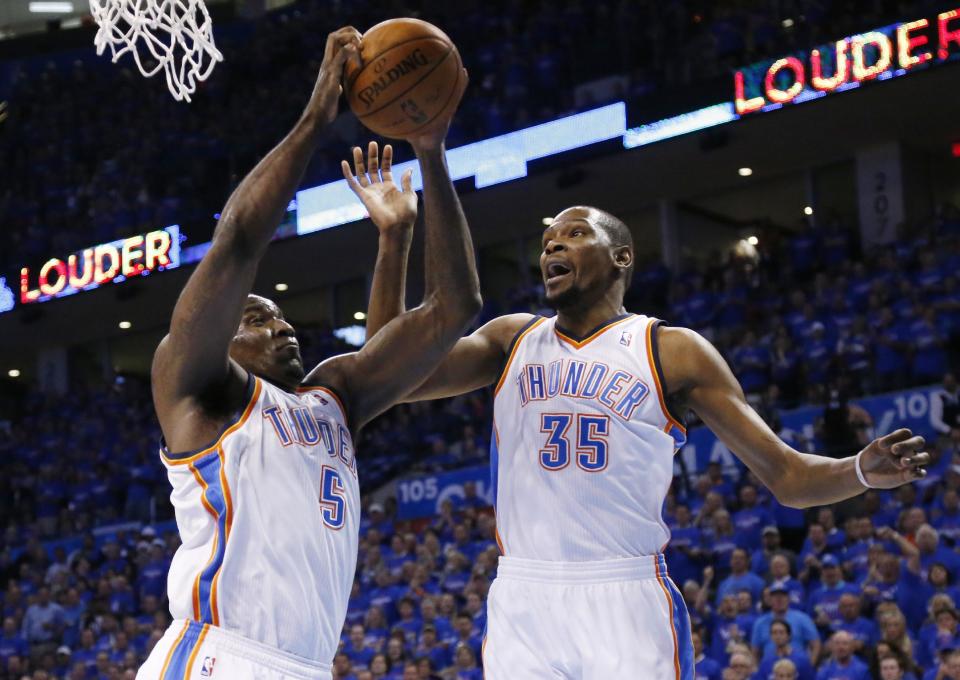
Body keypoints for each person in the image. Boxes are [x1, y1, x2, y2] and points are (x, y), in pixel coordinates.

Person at [372, 202, 930, 677]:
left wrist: (857, 469)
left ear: (622, 257)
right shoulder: (510, 339)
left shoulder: (672, 350)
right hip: (524, 592)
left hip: (625, 591)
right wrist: (396, 237)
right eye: (546, 243)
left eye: (574, 234)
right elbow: (385, 370)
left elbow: (787, 477)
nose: (553, 249)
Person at [137, 27, 478, 680]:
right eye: (259, 318)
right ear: (223, 334)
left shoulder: (333, 400)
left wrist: (430, 154)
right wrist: (316, 118)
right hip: (219, 655)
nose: (284, 328)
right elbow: (236, 241)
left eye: (285, 318)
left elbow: (453, 308)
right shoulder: (194, 389)